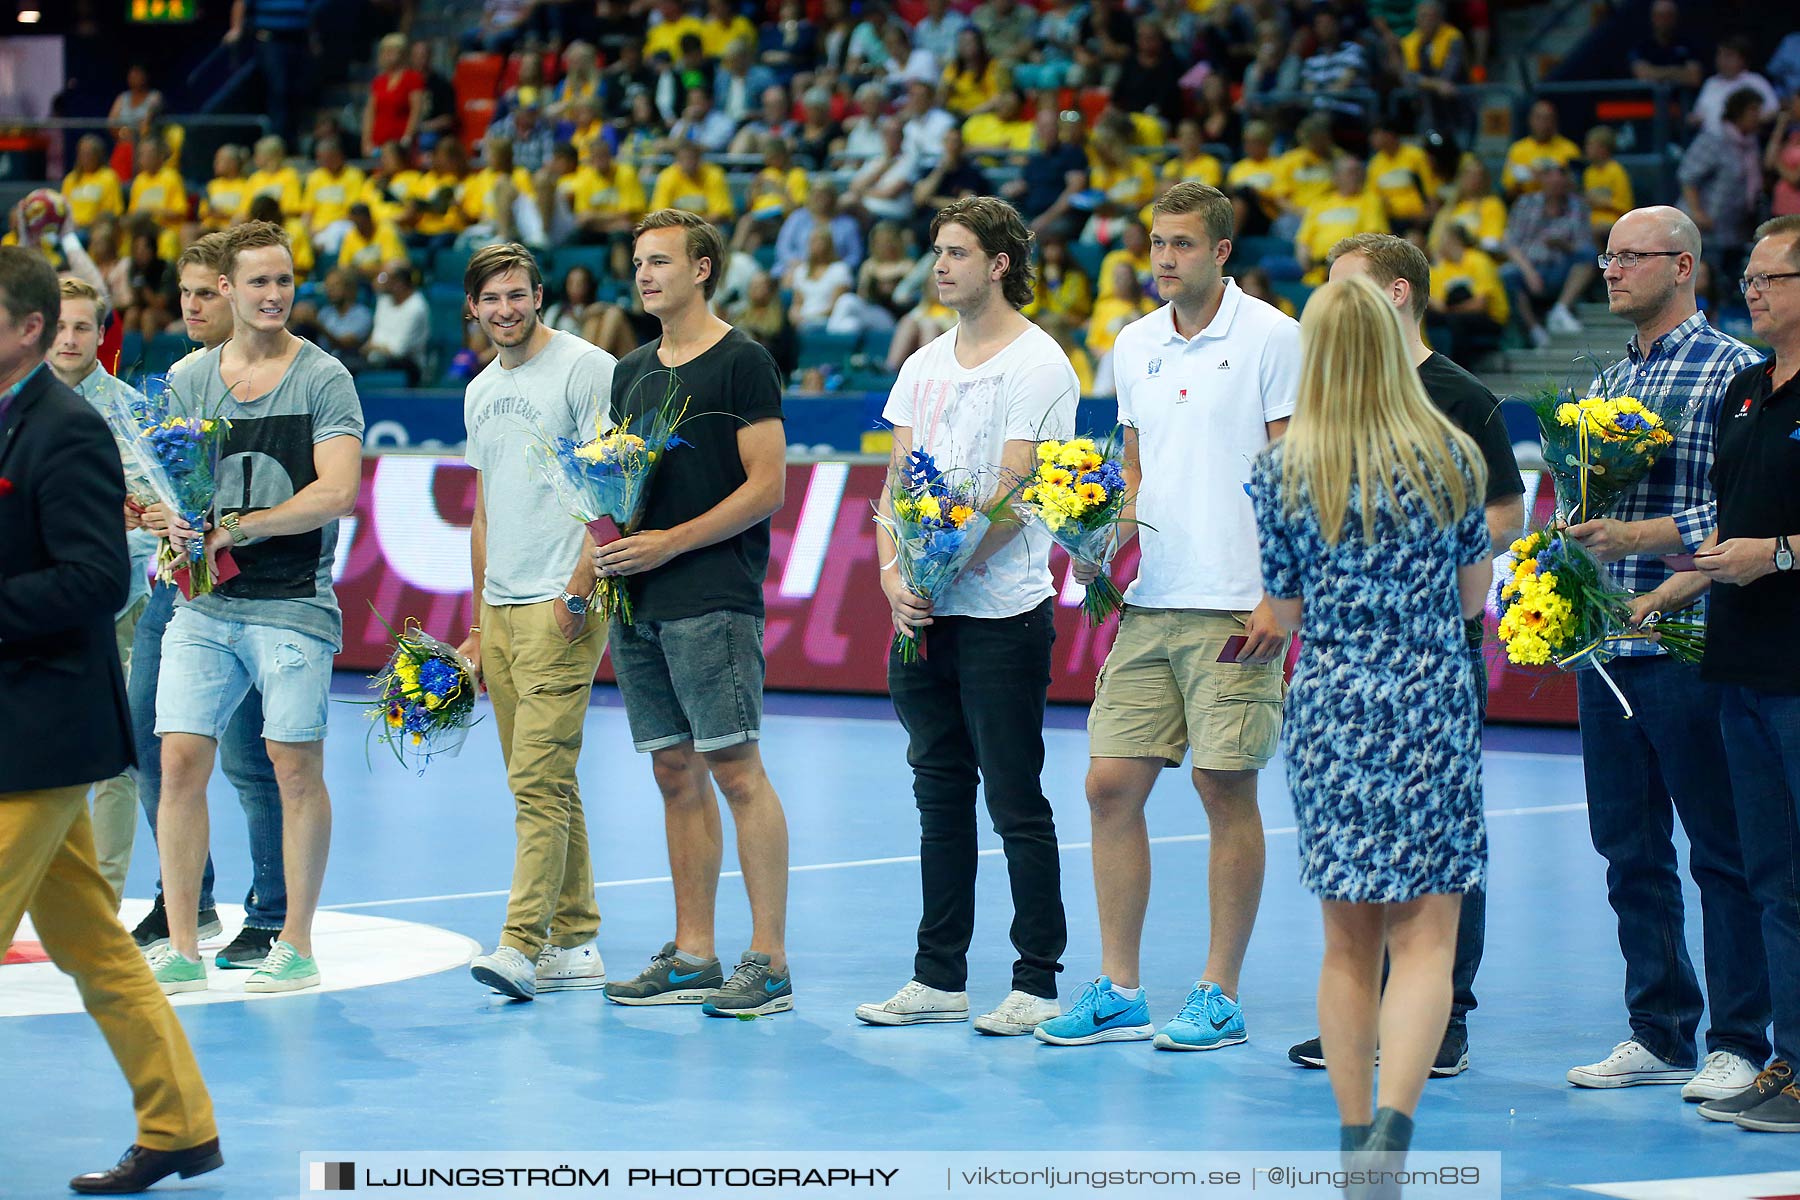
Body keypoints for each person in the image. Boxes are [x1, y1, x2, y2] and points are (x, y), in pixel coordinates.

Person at [1034, 183, 1298, 1051]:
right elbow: (1137, 473)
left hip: (1238, 603)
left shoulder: (1273, 336)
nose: (1163, 259)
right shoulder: (1133, 342)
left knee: (1225, 789)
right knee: (1109, 786)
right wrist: (1099, 541)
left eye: (1182, 244)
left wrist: (1282, 593)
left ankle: (1218, 994)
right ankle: (1118, 988)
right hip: (1150, 603)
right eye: (1156, 243)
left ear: (1222, 252)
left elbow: (1297, 474)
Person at [1247, 274, 1494, 1165]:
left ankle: (1354, 1138)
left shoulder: (1281, 471)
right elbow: (1474, 598)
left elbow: (1288, 608)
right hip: (1430, 701)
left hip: (1335, 705)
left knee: (1347, 941)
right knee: (1427, 937)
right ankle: (1397, 1122)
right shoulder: (1453, 456)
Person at [1274, 233, 1526, 1078]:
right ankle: (1379, 1014)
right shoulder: (1329, 413)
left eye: (1346, 294)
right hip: (1384, 661)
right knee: (1371, 852)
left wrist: (1403, 558)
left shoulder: (1459, 398)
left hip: (1423, 653)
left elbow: (1504, 515)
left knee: (1442, 855)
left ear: (1398, 294)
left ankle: (1443, 1013)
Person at [0, 243, 223, 1195]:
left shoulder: (68, 431)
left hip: (44, 733)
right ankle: (180, 1125)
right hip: (17, 727)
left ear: (27, 327)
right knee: (95, 946)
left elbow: (95, 581)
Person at [1556, 206, 1771, 1099]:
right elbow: (1581, 511)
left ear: (1682, 267)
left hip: (1689, 638)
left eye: (1630, 257)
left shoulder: (1735, 372)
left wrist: (1648, 531)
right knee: (1628, 848)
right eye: (1605, 256)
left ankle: (1739, 1040)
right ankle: (1659, 1028)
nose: (1610, 270)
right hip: (1608, 647)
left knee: (1721, 849)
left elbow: (1749, 504)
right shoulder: (1607, 377)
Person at [855, 196, 1078, 1036]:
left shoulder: (1041, 365)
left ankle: (1036, 980)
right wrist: (891, 576)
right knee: (938, 796)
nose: (940, 265)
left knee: (1016, 800)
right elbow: (890, 486)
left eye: (956, 252)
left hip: (1001, 616)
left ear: (1000, 264)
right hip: (920, 615)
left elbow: (1019, 492)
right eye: (936, 251)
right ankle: (938, 975)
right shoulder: (921, 363)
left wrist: (944, 565)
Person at [151, 219, 364, 995]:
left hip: (292, 602)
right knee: (178, 760)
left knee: (291, 767)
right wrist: (175, 521)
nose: (274, 295)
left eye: (284, 281)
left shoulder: (324, 379)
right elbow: (172, 482)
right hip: (206, 604)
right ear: (228, 291)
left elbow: (336, 491)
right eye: (259, 282)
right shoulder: (187, 378)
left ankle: (296, 944)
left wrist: (241, 526)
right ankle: (183, 945)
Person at [597, 209, 793, 1017]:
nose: (645, 275)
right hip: (637, 595)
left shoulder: (745, 361)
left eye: (661, 262)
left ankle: (770, 961)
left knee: (736, 771)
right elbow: (613, 488)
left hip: (711, 595)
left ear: (703, 269)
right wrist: (595, 570)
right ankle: (694, 954)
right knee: (673, 772)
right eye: (639, 263)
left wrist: (671, 543)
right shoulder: (631, 369)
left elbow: (767, 487)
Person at [457, 244, 618, 1001]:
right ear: (473, 308)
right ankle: (577, 939)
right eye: (492, 299)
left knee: (535, 781)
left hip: (564, 601)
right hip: (500, 608)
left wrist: (581, 588)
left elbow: (610, 482)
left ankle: (521, 944)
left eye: (517, 295)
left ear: (539, 296)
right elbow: (485, 509)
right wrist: (477, 614)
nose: (506, 310)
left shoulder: (586, 368)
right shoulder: (481, 390)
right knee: (546, 781)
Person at [128, 233, 288, 971]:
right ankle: (184, 895)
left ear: (234, 292)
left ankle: (272, 911)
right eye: (183, 293)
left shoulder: (286, 376)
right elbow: (168, 483)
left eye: (204, 292)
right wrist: (156, 512)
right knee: (153, 740)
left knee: (254, 759)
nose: (191, 306)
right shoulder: (181, 378)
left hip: (254, 588)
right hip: (178, 584)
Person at [1685, 214, 1800, 1133]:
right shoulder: (1745, 392)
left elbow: (1772, 542)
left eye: (1773, 277)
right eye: (1749, 276)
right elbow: (1730, 525)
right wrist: (1667, 583)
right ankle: (1787, 1057)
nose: (1753, 290)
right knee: (1773, 877)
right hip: (1741, 666)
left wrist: (1781, 555)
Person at [48, 279, 156, 906]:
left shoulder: (127, 412)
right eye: (60, 326)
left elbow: (147, 521)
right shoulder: (13, 404)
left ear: (100, 333)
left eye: (83, 328)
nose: (70, 338)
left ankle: (102, 899)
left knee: (117, 761)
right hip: (31, 613)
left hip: (113, 612)